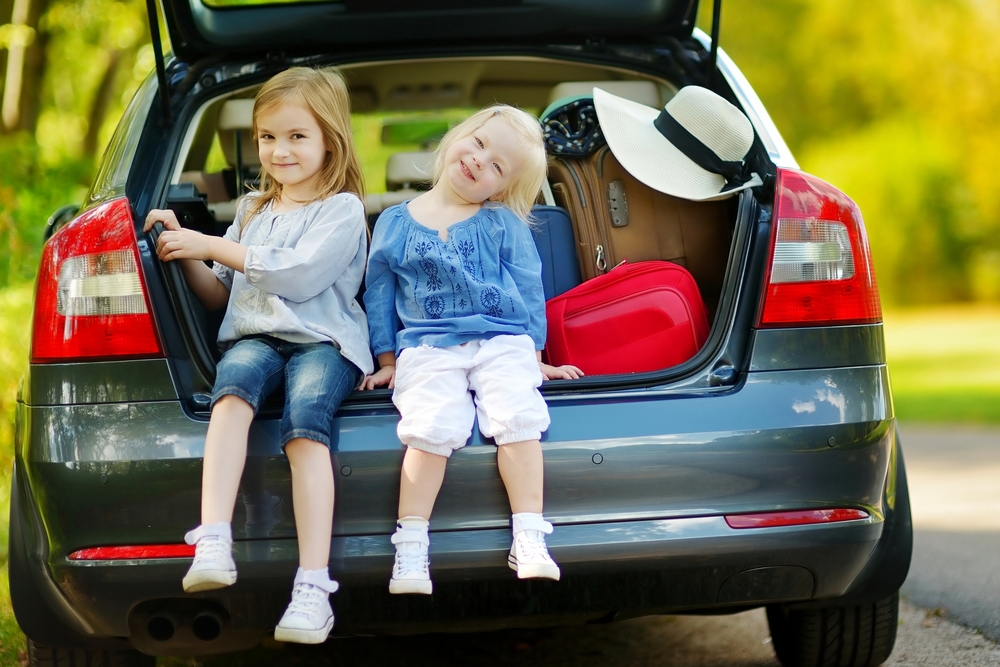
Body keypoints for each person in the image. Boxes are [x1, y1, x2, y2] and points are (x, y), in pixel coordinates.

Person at [142, 66, 371, 644]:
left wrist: (213, 242)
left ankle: (313, 586)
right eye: (268, 137)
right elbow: (225, 295)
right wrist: (184, 249)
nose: (280, 150)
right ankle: (214, 535)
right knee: (232, 390)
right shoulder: (252, 211)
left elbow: (299, 276)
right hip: (254, 338)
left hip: (324, 342)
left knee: (303, 427)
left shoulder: (342, 211)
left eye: (297, 136)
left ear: (330, 139)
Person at [361, 104, 583, 595]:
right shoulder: (394, 223)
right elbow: (378, 295)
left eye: (498, 166)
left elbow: (527, 289)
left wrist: (535, 357)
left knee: (519, 418)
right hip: (426, 345)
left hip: (502, 341)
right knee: (429, 428)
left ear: (500, 188)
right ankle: (412, 545)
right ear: (459, 135)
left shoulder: (502, 223)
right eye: (480, 144)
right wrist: (386, 361)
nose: (481, 161)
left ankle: (528, 534)